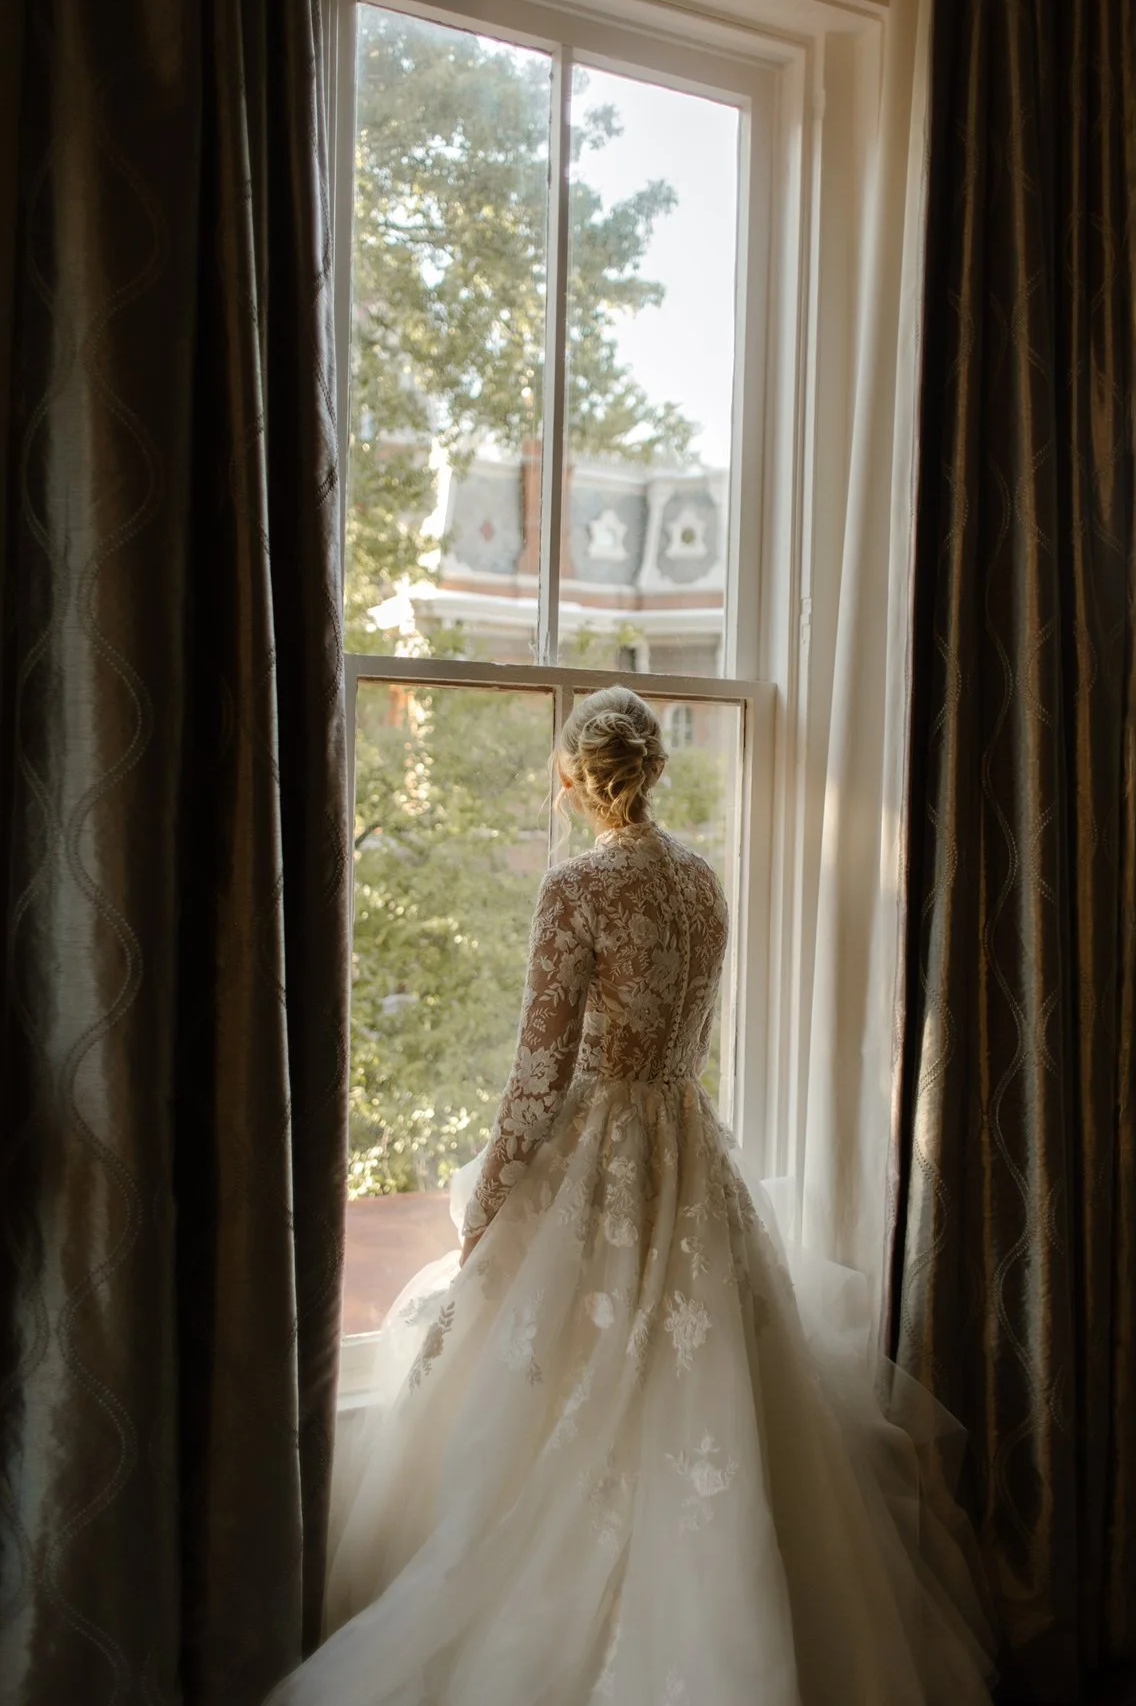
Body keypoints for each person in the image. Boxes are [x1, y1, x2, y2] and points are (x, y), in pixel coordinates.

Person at [268, 687, 994, 1706]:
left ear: (575, 775)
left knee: (557, 1388)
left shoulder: (576, 890)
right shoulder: (702, 885)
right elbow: (684, 1042)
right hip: (690, 1146)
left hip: (605, 1151)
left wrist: (484, 1214)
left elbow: (538, 1073)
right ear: (650, 771)